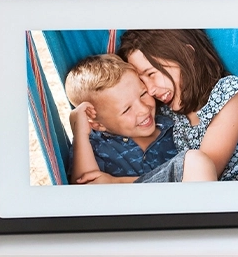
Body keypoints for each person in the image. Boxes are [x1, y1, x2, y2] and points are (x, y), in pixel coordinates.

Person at [118, 29, 238, 182]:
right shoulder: (170, 115)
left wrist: (115, 183)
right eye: (142, 81)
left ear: (188, 56)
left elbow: (201, 171)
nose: (151, 89)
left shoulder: (231, 93)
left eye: (151, 74)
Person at [62, 54, 180, 184]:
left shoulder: (173, 124)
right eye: (126, 109)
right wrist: (80, 135)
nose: (144, 109)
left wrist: (116, 182)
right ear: (97, 125)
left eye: (143, 94)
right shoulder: (93, 146)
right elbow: (85, 190)